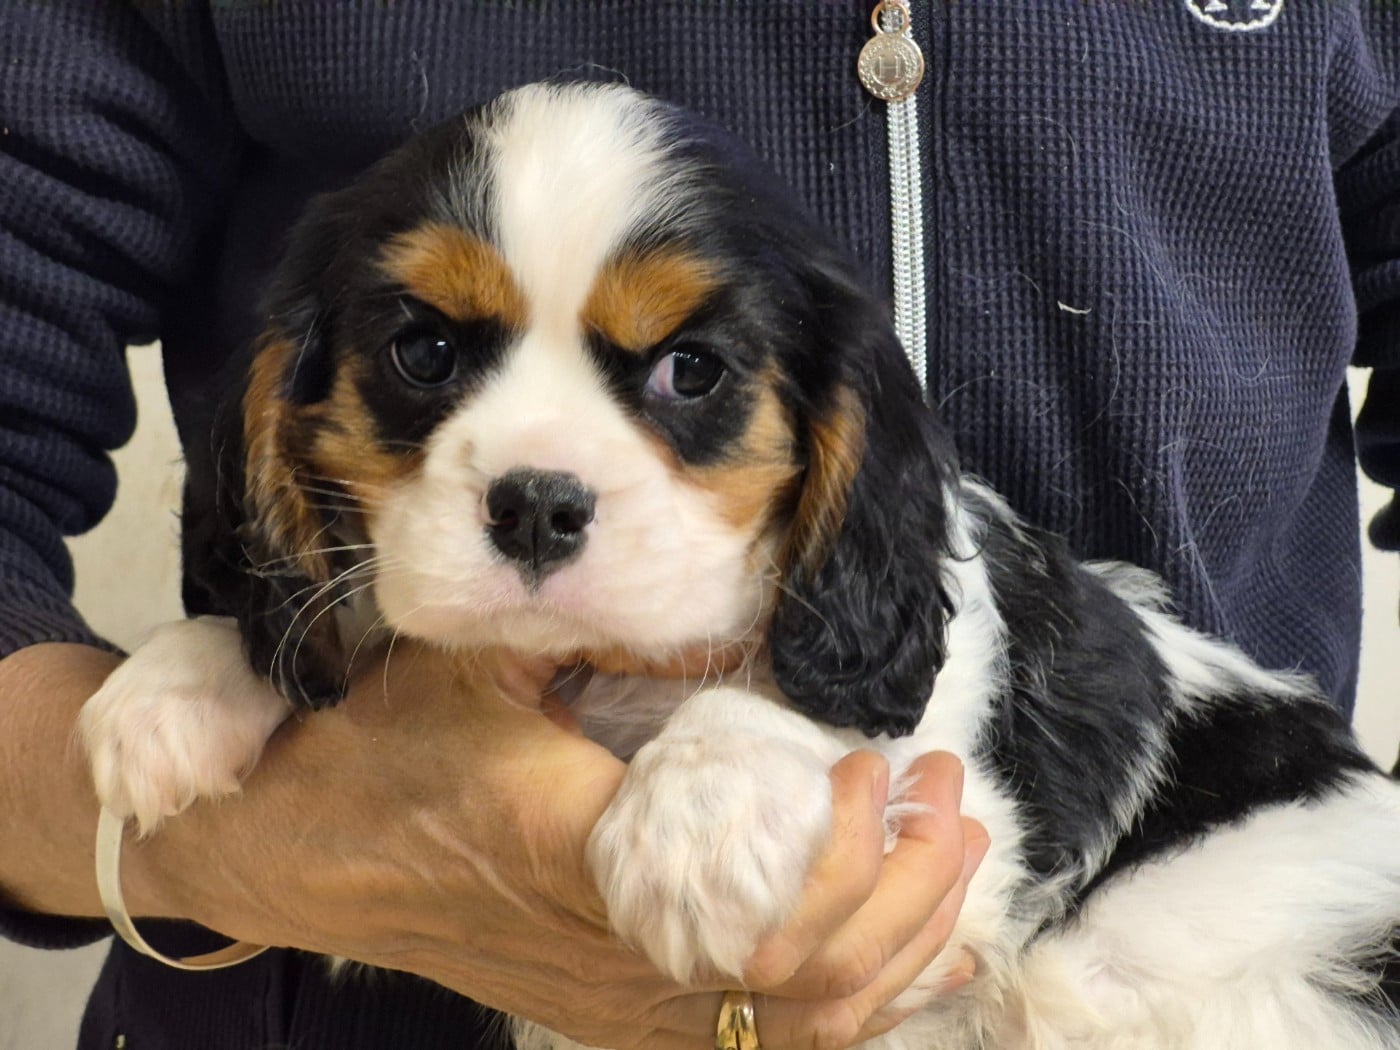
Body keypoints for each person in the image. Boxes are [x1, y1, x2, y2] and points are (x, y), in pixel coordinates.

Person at [0, 2, 1395, 1048]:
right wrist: (229, 791)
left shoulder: (872, 538)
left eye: (688, 373)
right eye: (427, 354)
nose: (540, 475)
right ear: (289, 406)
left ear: (832, 442)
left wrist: (755, 741)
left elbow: (925, 824)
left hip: (1222, 927)